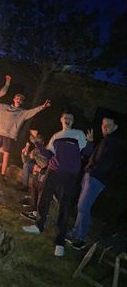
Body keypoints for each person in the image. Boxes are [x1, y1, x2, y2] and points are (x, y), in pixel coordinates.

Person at [22, 110, 94, 257]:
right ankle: (38, 225)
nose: (67, 119)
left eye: (70, 117)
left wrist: (91, 142)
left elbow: (86, 153)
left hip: (70, 174)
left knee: (65, 205)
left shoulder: (78, 134)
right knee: (44, 197)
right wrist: (37, 143)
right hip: (53, 170)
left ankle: (60, 242)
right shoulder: (56, 136)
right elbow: (49, 154)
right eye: (65, 117)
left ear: (72, 121)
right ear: (61, 120)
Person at [66, 116, 120, 250]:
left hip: (96, 178)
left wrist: (91, 171)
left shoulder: (112, 142)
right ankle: (75, 233)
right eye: (103, 124)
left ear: (115, 127)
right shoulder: (106, 140)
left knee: (84, 207)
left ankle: (80, 239)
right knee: (82, 206)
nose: (105, 127)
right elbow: (97, 156)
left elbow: (107, 164)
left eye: (108, 125)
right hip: (91, 176)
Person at [0, 93, 51, 180]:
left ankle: (2, 176)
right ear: (14, 99)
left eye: (21, 99)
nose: (19, 100)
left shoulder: (22, 113)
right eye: (17, 98)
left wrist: (42, 106)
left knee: (6, 156)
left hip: (10, 136)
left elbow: (33, 111)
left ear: (21, 102)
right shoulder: (3, 107)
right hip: (0, 133)